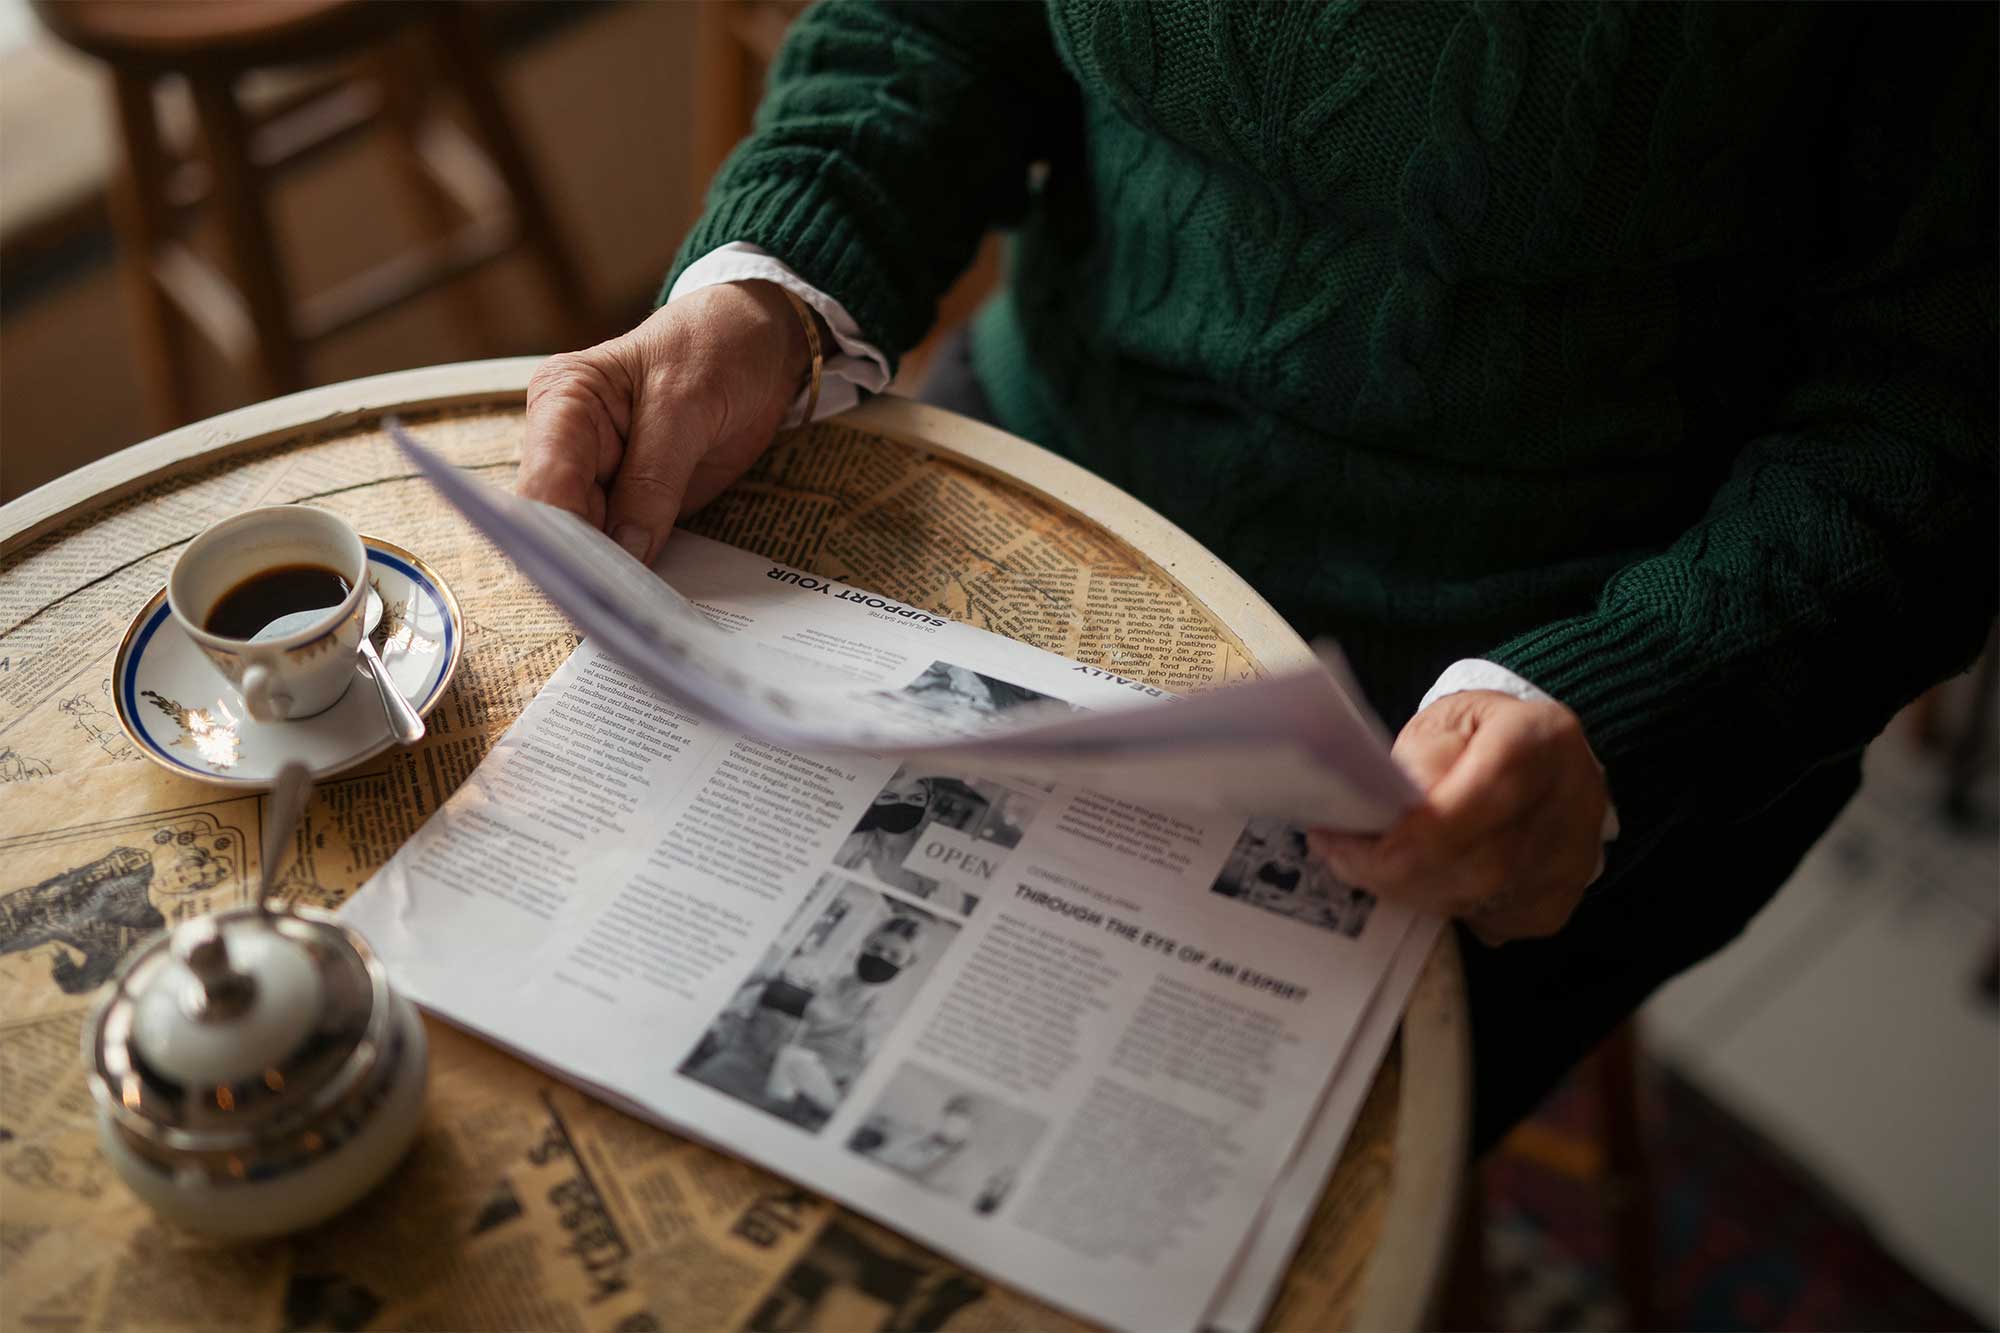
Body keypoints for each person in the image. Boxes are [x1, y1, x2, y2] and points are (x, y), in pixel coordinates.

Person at [524, 4, 1996, 1146]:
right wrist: (767, 289)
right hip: (1044, 477)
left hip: (1522, 691)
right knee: (597, 1003)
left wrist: (1627, 706)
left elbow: (1943, 414)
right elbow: (937, 32)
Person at [687, 914, 931, 1127]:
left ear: (907, 964)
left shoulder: (880, 1025)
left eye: (894, 955)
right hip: (729, 1072)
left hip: (779, 1109)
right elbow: (739, 1011)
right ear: (863, 944)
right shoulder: (812, 977)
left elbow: (851, 1090)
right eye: (876, 948)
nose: (881, 957)